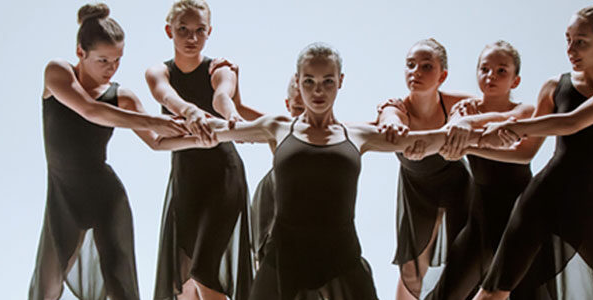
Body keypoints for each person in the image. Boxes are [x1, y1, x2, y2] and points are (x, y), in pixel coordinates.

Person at [155, 42, 504, 300]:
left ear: (340, 81)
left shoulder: (358, 134)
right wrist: (164, 133)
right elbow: (218, 130)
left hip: (341, 256)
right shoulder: (278, 127)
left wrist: (461, 129)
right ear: (298, 81)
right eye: (309, 82)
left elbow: (424, 141)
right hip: (283, 258)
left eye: (326, 81)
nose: (317, 90)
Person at [468, 6, 593, 300]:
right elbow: (524, 154)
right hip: (540, 199)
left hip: (582, 209)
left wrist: (515, 126)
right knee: (493, 292)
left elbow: (572, 122)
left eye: (581, 41)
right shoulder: (554, 87)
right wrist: (471, 146)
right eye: (567, 39)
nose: (570, 49)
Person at [29, 3, 187, 300]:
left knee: (120, 285)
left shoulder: (122, 97)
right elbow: (90, 111)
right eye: (103, 60)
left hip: (106, 198)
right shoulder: (58, 73)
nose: (111, 68)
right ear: (80, 52)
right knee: (46, 288)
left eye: (117, 60)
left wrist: (198, 139)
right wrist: (152, 119)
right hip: (63, 198)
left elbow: (156, 141)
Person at [144, 1, 259, 299]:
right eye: (183, 29)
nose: (191, 38)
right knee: (183, 283)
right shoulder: (158, 72)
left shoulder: (220, 67)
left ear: (210, 32)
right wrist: (189, 111)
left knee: (205, 271)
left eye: (199, 31)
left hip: (223, 177)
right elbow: (166, 96)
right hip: (185, 180)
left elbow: (223, 96)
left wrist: (231, 114)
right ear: (169, 30)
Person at [426, 40, 539, 300]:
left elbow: (521, 154)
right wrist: (459, 122)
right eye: (485, 69)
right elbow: (448, 138)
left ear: (515, 81)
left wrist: (468, 141)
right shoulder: (464, 110)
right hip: (481, 220)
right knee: (446, 293)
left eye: (501, 71)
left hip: (520, 219)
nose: (491, 76)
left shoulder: (525, 110)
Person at [374, 38, 475, 300]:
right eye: (410, 65)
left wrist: (461, 120)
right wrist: (392, 123)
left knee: (462, 260)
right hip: (416, 192)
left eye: (426, 66)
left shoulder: (457, 103)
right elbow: (390, 117)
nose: (415, 72)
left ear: (442, 75)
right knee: (413, 267)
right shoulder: (396, 107)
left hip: (456, 187)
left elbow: (478, 110)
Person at [249, 75, 305, 270]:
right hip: (271, 201)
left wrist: (387, 112)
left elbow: (373, 129)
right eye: (298, 108)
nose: (302, 116)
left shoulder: (335, 132)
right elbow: (238, 111)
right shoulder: (280, 128)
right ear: (288, 105)